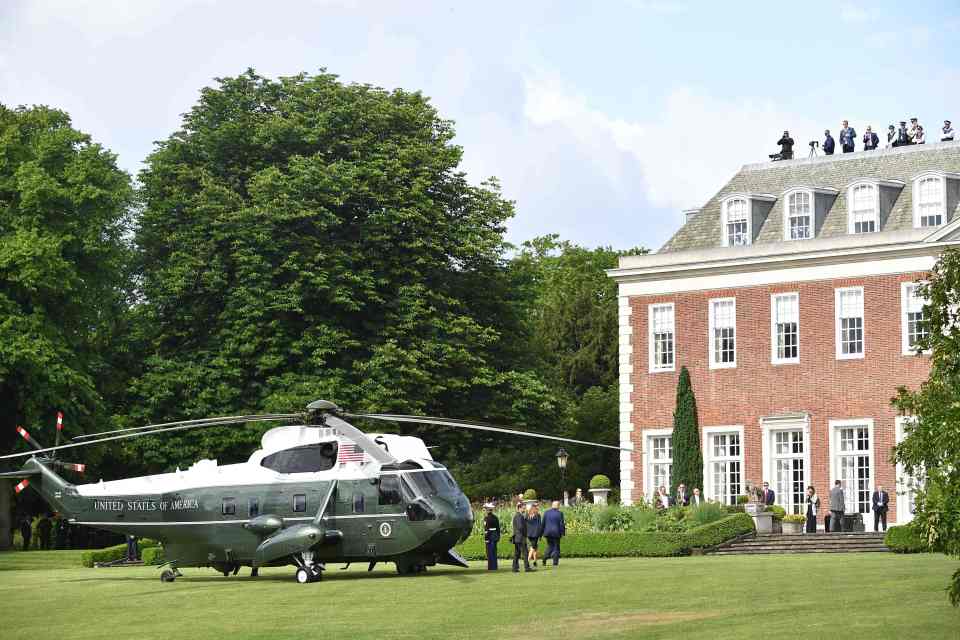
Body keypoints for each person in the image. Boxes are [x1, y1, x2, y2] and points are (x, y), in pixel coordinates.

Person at [541, 500, 565, 567]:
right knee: (556, 548)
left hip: (548, 533)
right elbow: (561, 524)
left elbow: (543, 523)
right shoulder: (560, 513)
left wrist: (541, 533)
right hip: (556, 533)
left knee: (550, 546)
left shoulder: (546, 513)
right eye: (559, 505)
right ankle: (555, 563)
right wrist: (563, 533)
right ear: (557, 506)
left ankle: (544, 558)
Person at [510, 502, 531, 573]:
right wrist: (525, 534)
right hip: (520, 537)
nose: (524, 509)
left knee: (517, 553)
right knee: (525, 553)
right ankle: (527, 567)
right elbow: (520, 527)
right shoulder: (519, 516)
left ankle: (514, 568)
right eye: (523, 508)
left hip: (517, 537)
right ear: (519, 508)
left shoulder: (519, 516)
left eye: (524, 508)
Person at [482, 503, 500, 570]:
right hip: (495, 536)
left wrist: (486, 538)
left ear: (487, 510)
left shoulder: (486, 518)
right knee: (494, 552)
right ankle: (495, 566)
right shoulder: (496, 518)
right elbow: (498, 529)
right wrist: (498, 537)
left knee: (489, 552)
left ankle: (490, 567)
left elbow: (486, 530)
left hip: (489, 537)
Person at [526, 503, 542, 569]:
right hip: (535, 534)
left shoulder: (527, 515)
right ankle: (527, 561)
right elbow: (539, 525)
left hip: (529, 534)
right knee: (532, 547)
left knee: (535, 547)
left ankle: (535, 561)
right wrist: (540, 534)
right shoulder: (537, 515)